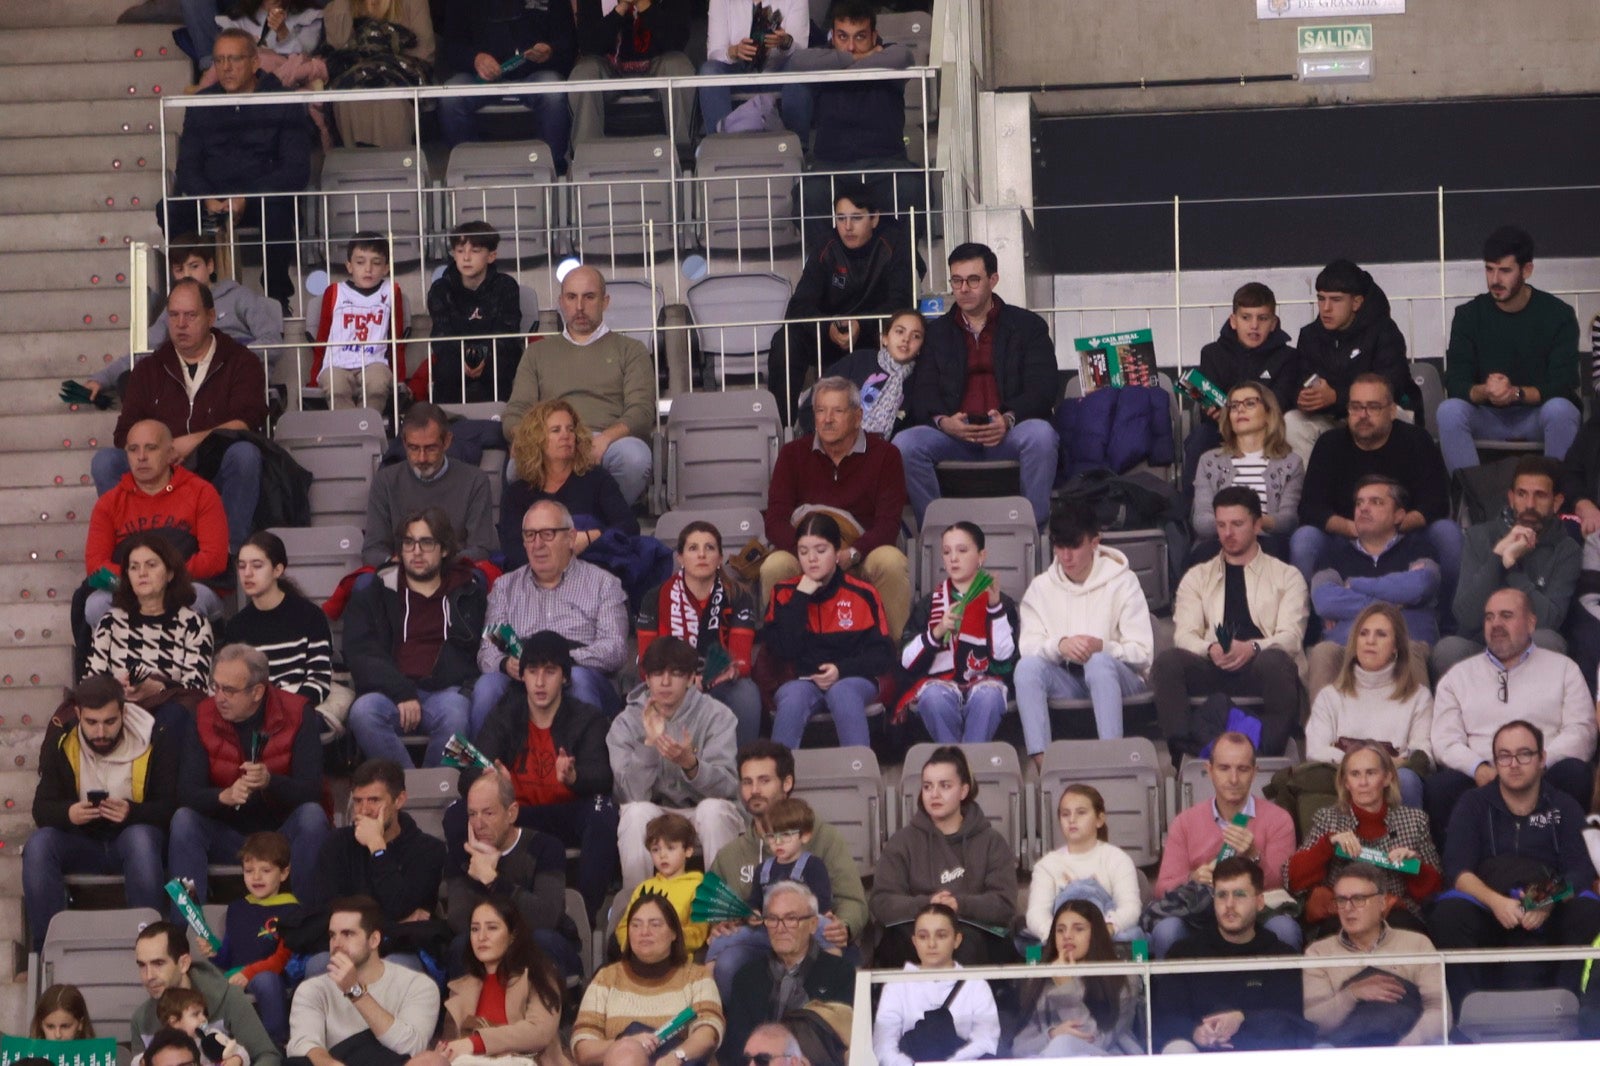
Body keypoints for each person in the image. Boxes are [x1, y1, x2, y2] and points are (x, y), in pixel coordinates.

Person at [1429, 720, 1600, 1006]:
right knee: (1449, 914)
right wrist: (1497, 903)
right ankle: (1468, 1011)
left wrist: (1544, 900)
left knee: (1589, 912)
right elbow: (1458, 870)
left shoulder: (1564, 805)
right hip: (1490, 905)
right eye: (1504, 756)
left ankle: (1569, 1006)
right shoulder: (1472, 804)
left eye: (1524, 754)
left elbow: (1580, 870)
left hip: (1548, 904)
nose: (1514, 764)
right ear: (1495, 762)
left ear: (1542, 758)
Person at [452, 629, 619, 918]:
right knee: (457, 811)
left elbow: (603, 777)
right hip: (517, 813)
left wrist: (574, 777)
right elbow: (468, 775)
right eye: (532, 671)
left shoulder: (586, 717)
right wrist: (491, 781)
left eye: (550, 672)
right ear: (523, 676)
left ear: (565, 677)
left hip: (565, 812)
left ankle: (585, 916)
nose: (540, 682)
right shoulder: (504, 714)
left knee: (602, 810)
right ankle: (470, 910)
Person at [96, 279, 268, 554]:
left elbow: (247, 421)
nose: (181, 324)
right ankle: (131, 553)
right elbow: (124, 434)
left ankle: (229, 554)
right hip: (160, 475)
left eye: (190, 315)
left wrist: (190, 442)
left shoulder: (240, 361)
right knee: (105, 462)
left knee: (245, 455)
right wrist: (158, 449)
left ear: (211, 317)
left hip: (213, 470)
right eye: (174, 315)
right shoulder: (149, 368)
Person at [896, 242, 1059, 525]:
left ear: (993, 280)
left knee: (1041, 436)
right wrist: (944, 423)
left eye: (973, 280)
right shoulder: (936, 333)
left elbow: (1043, 388)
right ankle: (936, 532)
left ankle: (1033, 531)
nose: (963, 289)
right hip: (954, 436)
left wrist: (1008, 419)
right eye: (956, 280)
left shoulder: (1028, 326)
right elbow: (922, 391)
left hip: (1008, 433)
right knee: (905, 444)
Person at [25, 675, 181, 951]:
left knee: (140, 839)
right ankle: (47, 951)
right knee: (38, 845)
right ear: (78, 715)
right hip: (81, 841)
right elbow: (41, 808)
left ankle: (153, 947)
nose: (100, 732)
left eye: (110, 722)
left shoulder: (153, 738)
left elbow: (171, 807)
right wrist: (69, 813)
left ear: (123, 712)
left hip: (132, 839)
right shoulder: (62, 741)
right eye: (91, 722)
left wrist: (131, 812)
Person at [706, 741, 868, 1005]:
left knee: (840, 967)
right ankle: (727, 1027)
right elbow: (717, 912)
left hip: (813, 940)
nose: (754, 790)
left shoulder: (824, 838)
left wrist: (844, 927)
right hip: (758, 947)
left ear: (787, 783)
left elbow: (852, 900)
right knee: (728, 963)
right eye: (747, 782)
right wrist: (720, 926)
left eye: (764, 780)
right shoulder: (731, 854)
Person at [1151, 486, 1307, 759]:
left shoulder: (1287, 576)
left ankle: (1269, 754)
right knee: (1167, 662)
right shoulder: (1197, 576)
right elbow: (1184, 634)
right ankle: (1184, 754)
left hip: (1260, 666)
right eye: (1221, 525)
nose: (1228, 533)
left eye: (1237, 524)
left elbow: (1291, 637)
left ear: (1257, 525)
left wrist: (1252, 648)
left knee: (1276, 661)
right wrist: (1209, 649)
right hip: (1213, 663)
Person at [169, 644, 330, 906]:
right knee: (184, 820)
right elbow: (186, 792)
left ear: (257, 692)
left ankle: (307, 920)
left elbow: (312, 790)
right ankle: (187, 923)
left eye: (229, 690)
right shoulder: (202, 715)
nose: (219, 697)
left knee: (312, 816)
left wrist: (270, 781)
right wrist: (223, 796)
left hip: (281, 835)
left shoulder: (299, 713)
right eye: (216, 686)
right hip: (227, 835)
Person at [163, 31, 311, 308]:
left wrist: (248, 198)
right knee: (169, 208)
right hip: (212, 199)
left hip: (261, 198)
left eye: (234, 59)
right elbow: (188, 166)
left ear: (255, 63)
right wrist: (207, 197)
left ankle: (277, 300)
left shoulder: (282, 100)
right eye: (219, 60)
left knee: (277, 207)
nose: (226, 67)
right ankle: (193, 293)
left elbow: (296, 170)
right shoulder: (202, 103)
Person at [1426, 588, 1596, 828]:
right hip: (1482, 776)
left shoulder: (1564, 669)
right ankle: (1464, 853)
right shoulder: (1458, 677)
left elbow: (1582, 732)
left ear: (1531, 623)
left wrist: (1538, 763)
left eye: (1506, 615)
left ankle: (1562, 849)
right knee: (1441, 787)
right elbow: (1445, 740)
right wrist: (1478, 768)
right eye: (1489, 617)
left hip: (1544, 772)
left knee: (1574, 773)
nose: (1496, 623)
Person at [762, 377, 911, 640]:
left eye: (837, 411)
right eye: (820, 410)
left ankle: (893, 653)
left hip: (860, 552)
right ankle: (782, 653)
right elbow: (775, 520)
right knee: (775, 565)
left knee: (891, 562)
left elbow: (888, 524)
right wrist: (808, 553)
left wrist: (851, 553)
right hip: (805, 551)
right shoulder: (792, 454)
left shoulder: (885, 455)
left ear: (858, 416)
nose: (827, 419)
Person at [1291, 373, 1460, 600]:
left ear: (1392, 411)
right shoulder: (1329, 444)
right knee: (1304, 539)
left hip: (1405, 534)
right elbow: (1311, 508)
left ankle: (1447, 615)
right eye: (1356, 407)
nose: (1363, 415)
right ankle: (1311, 619)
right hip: (1345, 535)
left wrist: (1390, 526)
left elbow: (1436, 502)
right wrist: (1353, 528)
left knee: (1447, 533)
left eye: (1373, 407)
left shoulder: (1417, 440)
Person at [503, 265, 654, 505]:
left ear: (605, 302)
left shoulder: (631, 350)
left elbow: (642, 411)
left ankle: (605, 518)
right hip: (551, 439)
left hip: (608, 440)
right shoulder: (537, 353)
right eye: (572, 297)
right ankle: (556, 520)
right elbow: (516, 410)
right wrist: (524, 438)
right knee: (516, 468)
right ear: (561, 302)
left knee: (634, 458)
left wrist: (605, 439)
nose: (580, 307)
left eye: (589, 297)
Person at [1015, 501, 1154, 761]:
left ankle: (1113, 760)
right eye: (1059, 546)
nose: (1066, 556)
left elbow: (1143, 654)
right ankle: (1043, 766)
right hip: (1068, 680)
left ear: (1094, 542)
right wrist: (1059, 645)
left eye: (1074, 546)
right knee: (1026, 668)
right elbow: (1028, 647)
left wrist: (1103, 647)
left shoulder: (1124, 582)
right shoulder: (1040, 587)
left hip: (1121, 679)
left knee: (1098, 663)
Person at [471, 500, 629, 727]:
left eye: (547, 534)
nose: (537, 544)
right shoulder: (504, 587)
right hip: (521, 676)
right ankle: (484, 752)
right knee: (487, 687)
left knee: (580, 680)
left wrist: (560, 662)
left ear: (571, 538)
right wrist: (505, 664)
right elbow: (487, 650)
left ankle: (585, 751)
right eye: (530, 535)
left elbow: (615, 649)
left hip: (579, 671)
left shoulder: (604, 584)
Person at [344, 508, 483, 767]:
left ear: (444, 549)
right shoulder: (375, 591)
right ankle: (405, 787)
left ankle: (432, 787)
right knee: (363, 712)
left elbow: (474, 651)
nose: (416, 552)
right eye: (409, 543)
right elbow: (360, 652)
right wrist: (402, 691)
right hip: (390, 692)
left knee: (456, 716)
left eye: (426, 542)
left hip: (445, 691)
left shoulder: (468, 593)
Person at [1438, 226, 1581, 473]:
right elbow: (1456, 382)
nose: (1495, 280)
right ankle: (1471, 493)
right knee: (1449, 411)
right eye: (1489, 269)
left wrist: (1515, 393)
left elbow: (1564, 385)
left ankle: (1557, 492)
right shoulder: (1468, 315)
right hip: (1487, 415)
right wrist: (1487, 391)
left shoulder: (1558, 315)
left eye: (1505, 271)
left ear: (1527, 270)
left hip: (1537, 416)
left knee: (1561, 410)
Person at [78, 233, 284, 404]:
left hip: (232, 376)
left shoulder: (239, 296)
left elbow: (273, 342)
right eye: (179, 269)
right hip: (188, 378)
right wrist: (101, 379)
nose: (187, 274)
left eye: (194, 266)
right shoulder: (175, 307)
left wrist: (227, 357)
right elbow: (143, 351)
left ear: (210, 266)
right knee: (130, 380)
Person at [608, 636, 744, 889]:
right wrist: (649, 745)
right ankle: (637, 904)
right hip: (655, 811)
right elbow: (629, 795)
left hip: (701, 810)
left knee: (714, 811)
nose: (665, 682)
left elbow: (727, 788)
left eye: (676, 674)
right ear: (647, 678)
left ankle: (723, 906)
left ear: (691, 678)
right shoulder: (625, 722)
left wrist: (691, 764)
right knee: (635, 813)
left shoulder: (718, 716)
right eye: (657, 674)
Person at [774, 186, 918, 421]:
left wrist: (862, 324)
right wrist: (828, 328)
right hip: (830, 337)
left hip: (875, 337)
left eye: (856, 218)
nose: (847, 227)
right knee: (785, 340)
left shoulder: (894, 244)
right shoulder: (826, 244)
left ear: (874, 218)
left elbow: (901, 304)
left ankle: (901, 422)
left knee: (907, 334)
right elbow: (798, 307)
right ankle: (784, 426)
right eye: (841, 218)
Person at [1150, 733, 1299, 957]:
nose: (1233, 779)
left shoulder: (1278, 819)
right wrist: (1192, 878)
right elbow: (1162, 888)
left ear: (1254, 772)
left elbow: (1284, 884)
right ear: (1209, 770)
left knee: (1285, 929)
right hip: (1201, 914)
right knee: (1166, 931)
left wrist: (1254, 855)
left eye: (1243, 769)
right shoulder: (1185, 822)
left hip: (1255, 914)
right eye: (1224, 768)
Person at [760, 512, 896, 751]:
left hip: (853, 678)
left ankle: (858, 770)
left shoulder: (863, 593)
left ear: (837, 552)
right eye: (803, 552)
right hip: (801, 680)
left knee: (843, 692)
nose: (812, 559)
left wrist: (841, 670)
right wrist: (801, 597)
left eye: (821, 550)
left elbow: (883, 655)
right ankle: (778, 772)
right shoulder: (783, 593)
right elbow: (783, 650)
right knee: (792, 697)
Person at [870, 747, 1018, 966]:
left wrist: (958, 904)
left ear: (964, 790)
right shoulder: (902, 842)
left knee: (966, 944)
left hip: (972, 935)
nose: (934, 794)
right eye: (927, 786)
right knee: (895, 942)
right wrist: (928, 904)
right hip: (917, 932)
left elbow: (1004, 904)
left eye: (945, 786)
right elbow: (882, 902)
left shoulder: (991, 841)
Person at [1431, 455, 1579, 674]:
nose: (1529, 504)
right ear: (1511, 498)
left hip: (1531, 645)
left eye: (1540, 495)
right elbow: (1465, 616)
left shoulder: (1567, 549)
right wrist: (1498, 559)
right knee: (1448, 650)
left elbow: (1548, 621)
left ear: (1556, 502)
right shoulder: (1479, 536)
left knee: (1548, 641)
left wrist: (1510, 565)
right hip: (1481, 645)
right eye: (1522, 494)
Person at [784, 2, 917, 238]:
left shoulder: (889, 54)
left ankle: (896, 258)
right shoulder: (822, 58)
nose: (851, 46)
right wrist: (862, 57)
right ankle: (827, 259)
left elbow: (903, 57)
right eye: (843, 37)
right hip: (831, 165)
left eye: (860, 37)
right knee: (808, 196)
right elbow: (797, 62)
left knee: (912, 188)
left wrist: (842, 62)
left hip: (886, 164)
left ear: (874, 36)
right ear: (832, 35)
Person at [83, 418, 229, 626]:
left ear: (170, 454)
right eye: (133, 449)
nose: (141, 457)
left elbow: (214, 559)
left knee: (194, 600)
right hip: (131, 589)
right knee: (96, 605)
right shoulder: (109, 503)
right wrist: (140, 582)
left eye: (151, 448)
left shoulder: (202, 493)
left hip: (188, 585)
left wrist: (164, 578)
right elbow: (96, 566)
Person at [443, 770, 584, 984]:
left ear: (511, 813)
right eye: (472, 814)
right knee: (461, 945)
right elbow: (459, 920)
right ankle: (471, 1006)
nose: (478, 824)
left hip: (544, 946)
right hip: (491, 947)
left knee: (543, 939)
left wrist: (492, 880)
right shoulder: (461, 854)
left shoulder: (545, 847)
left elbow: (546, 918)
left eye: (488, 813)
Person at [1154, 857, 1306, 1053]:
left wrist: (1243, 1018)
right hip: (1201, 1055)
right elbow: (1165, 1017)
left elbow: (1292, 1022)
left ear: (1259, 902)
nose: (1229, 904)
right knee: (1177, 1049)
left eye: (1240, 895)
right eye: (1222, 895)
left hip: (1259, 1054)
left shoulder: (1280, 956)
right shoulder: (1184, 953)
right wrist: (1195, 1032)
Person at [1286, 745, 1442, 936]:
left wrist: (1414, 867)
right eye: (1355, 774)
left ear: (1387, 778)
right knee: (1336, 929)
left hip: (1398, 913)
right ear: (1346, 782)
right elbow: (1292, 879)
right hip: (1342, 912)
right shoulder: (1328, 819)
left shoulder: (1414, 820)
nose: (1363, 782)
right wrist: (1327, 846)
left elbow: (1436, 891)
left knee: (1405, 928)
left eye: (1371, 773)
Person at [312, 759, 446, 973]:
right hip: (346, 947)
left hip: (402, 949)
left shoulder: (429, 850)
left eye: (374, 800)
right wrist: (396, 925)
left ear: (399, 800)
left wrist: (377, 848)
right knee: (318, 965)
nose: (364, 810)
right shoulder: (336, 845)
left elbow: (398, 906)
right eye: (358, 801)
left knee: (398, 968)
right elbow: (328, 911)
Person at [636, 520, 762, 748]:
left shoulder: (738, 595)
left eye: (709, 548)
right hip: (668, 680)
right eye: (693, 548)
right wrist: (679, 678)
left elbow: (741, 661)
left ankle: (745, 763)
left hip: (719, 681)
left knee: (746, 693)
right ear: (680, 558)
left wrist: (715, 674)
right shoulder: (655, 597)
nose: (702, 555)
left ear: (720, 558)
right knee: (641, 701)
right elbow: (646, 663)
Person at [1306, 477, 1441, 683]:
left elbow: (1420, 586)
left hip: (1407, 642)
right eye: (1359, 503)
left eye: (1376, 502)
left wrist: (1355, 585)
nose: (1363, 508)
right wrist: (1398, 603)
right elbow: (1325, 601)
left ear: (1399, 515)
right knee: (1322, 653)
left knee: (1410, 649)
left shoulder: (1419, 547)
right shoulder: (1333, 553)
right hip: (1347, 646)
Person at [897, 521, 1018, 745]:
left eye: (962, 550)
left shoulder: (1002, 602)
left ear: (981, 556)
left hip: (985, 680)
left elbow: (1005, 661)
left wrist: (994, 609)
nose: (953, 558)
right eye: (946, 552)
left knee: (989, 697)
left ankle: (968, 760)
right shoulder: (929, 603)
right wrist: (937, 631)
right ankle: (955, 760)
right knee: (933, 697)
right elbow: (906, 660)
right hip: (940, 682)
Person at [570, 894, 725, 1066]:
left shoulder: (697, 976)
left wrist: (677, 1056)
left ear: (674, 932)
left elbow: (708, 1033)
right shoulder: (606, 978)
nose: (644, 932)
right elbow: (583, 1049)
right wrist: (627, 1046)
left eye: (655, 924)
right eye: (636, 925)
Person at [1304, 604, 1434, 808]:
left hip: (1393, 780)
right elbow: (1315, 750)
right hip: (1343, 777)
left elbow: (1424, 755)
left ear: (1396, 646)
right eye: (1363, 633)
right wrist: (1366, 764)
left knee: (1407, 780)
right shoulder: (1330, 696)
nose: (1370, 641)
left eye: (1381, 634)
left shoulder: (1419, 697)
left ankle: (1404, 831)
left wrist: (1382, 771)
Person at [1303, 864, 1446, 1047]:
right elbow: (1315, 1022)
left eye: (1359, 899)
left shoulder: (1418, 944)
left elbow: (1440, 1009)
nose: (1348, 908)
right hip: (1345, 1048)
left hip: (1409, 1044)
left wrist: (1410, 1044)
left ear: (1382, 903)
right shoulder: (1317, 952)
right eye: (1341, 900)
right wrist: (1352, 994)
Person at [285, 897, 440, 1064]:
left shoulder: (418, 985)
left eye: (348, 934)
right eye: (332, 935)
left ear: (374, 940)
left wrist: (355, 992)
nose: (337, 943)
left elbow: (413, 1047)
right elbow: (302, 1043)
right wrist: (328, 1063)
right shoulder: (312, 989)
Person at [1286, 259, 1412, 463]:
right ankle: (1315, 483)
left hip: (1375, 412)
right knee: (1292, 421)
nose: (1326, 308)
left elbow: (1392, 386)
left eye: (1336, 300)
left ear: (1356, 302)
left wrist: (1337, 397)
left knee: (1392, 413)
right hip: (1330, 419)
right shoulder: (1310, 335)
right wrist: (1303, 397)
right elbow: (1299, 379)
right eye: (1321, 299)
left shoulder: (1384, 331)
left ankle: (1386, 482)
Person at [721, 881, 854, 1066]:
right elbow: (736, 1049)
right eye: (772, 919)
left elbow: (841, 1044)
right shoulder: (746, 977)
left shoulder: (840, 973)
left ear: (813, 924)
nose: (780, 928)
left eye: (791, 919)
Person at [85, 532, 215, 714]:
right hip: (121, 715)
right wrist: (118, 689)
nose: (142, 573)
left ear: (169, 573)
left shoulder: (193, 623)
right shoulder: (111, 622)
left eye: (151, 565)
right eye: (134, 567)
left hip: (173, 717)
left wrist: (159, 689)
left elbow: (196, 691)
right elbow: (91, 685)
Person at [498, 399, 639, 563]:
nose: (566, 435)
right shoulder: (517, 493)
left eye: (570, 429)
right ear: (536, 439)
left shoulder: (597, 478)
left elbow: (629, 527)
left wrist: (589, 537)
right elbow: (512, 548)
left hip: (592, 568)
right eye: (556, 430)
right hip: (536, 572)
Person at [193, 832, 300, 1046]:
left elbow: (282, 960)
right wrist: (214, 952)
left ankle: (275, 1044)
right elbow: (229, 957)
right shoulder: (237, 908)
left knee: (266, 980)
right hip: (237, 975)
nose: (256, 877)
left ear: (284, 873)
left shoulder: (292, 910)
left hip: (271, 976)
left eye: (265, 870)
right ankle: (210, 1044)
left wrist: (248, 973)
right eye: (249, 871)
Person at [436, 898, 569, 1066]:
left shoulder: (539, 976)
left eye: (492, 928)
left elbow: (539, 1032)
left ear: (513, 935)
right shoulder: (460, 988)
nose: (481, 937)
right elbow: (451, 1046)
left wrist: (475, 1043)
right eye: (475, 929)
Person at [363, 404, 498, 568]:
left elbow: (481, 549)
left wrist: (433, 563)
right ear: (404, 443)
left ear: (447, 441)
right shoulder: (385, 481)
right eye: (413, 448)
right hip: (400, 571)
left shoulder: (475, 480)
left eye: (430, 448)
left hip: (454, 571)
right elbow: (372, 550)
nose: (421, 458)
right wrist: (399, 564)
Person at [437, 0, 571, 160]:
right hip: (478, 77)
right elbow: (451, 47)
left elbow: (569, 42)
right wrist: (475, 59)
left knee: (553, 93)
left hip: (536, 73)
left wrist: (551, 51)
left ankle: (552, 166)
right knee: (451, 97)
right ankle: (467, 167)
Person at [132, 922, 279, 1066]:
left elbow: (268, 1056)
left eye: (158, 963)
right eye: (142, 965)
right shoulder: (140, 1020)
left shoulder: (229, 998)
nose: (148, 976)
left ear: (183, 963)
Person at [869, 903, 1000, 1066]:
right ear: (914, 941)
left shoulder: (976, 985)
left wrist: (951, 1063)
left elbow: (986, 1040)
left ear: (957, 940)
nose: (931, 944)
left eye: (941, 935)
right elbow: (883, 1045)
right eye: (923, 936)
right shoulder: (896, 986)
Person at [221, 532, 334, 713]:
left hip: (299, 709)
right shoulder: (236, 626)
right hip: (253, 711)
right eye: (241, 566)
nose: (247, 573)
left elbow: (319, 679)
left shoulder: (309, 616)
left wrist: (287, 709)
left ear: (277, 570)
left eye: (257, 565)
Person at [1012, 899, 1142, 1057]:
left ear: (1096, 935)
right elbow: (1018, 1049)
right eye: (1060, 930)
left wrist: (1066, 987)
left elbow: (1095, 1040)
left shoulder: (1124, 979)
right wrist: (1052, 1035)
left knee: (1062, 1044)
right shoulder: (1039, 980)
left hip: (1105, 1057)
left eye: (1078, 929)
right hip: (1048, 1058)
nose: (1067, 936)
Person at [1190, 382, 1303, 562]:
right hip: (1219, 543)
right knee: (1204, 555)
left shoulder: (1290, 463)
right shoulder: (1209, 460)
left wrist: (1253, 523)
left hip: (1266, 544)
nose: (1240, 410)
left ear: (1269, 414)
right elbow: (1202, 521)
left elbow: (1288, 520)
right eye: (1234, 406)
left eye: (1250, 403)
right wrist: (1234, 525)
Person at [419, 221, 525, 404]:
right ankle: (447, 418)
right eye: (460, 251)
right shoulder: (441, 289)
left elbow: (507, 331)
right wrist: (464, 357)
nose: (466, 258)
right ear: (454, 254)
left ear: (491, 256)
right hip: (455, 357)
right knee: (446, 368)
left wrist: (483, 355)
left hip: (495, 356)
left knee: (500, 366)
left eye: (475, 251)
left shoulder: (506, 286)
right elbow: (441, 334)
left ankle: (500, 417)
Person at [570, 0, 695, 152]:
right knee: (585, 71)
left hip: (658, 69)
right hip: (609, 71)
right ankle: (587, 156)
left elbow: (676, 42)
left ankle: (681, 154)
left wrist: (643, 5)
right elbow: (588, 47)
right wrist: (621, 8)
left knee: (678, 65)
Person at [304, 233, 406, 412]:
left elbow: (396, 340)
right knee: (336, 388)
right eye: (360, 262)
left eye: (376, 263)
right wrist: (314, 377)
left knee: (377, 385)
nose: (368, 269)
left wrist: (400, 378)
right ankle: (350, 427)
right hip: (336, 364)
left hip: (375, 363)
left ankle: (367, 425)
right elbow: (323, 338)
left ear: (386, 268)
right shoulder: (334, 292)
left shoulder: (391, 291)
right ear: (349, 266)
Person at [1026, 785, 1141, 943]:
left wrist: (1106, 929)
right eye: (1065, 814)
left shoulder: (1117, 859)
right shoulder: (1047, 865)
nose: (1072, 820)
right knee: (1028, 943)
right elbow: (1036, 914)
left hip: (1106, 937)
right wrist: (1058, 935)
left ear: (1099, 819)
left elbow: (1130, 908)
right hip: (1061, 939)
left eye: (1081, 812)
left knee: (1132, 937)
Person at [321, 0, 436, 148]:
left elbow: (424, 54)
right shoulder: (339, 5)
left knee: (389, 98)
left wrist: (381, 63)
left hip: (400, 80)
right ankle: (354, 161)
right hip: (353, 79)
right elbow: (338, 45)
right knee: (349, 98)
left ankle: (396, 161)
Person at [796, 308, 924, 439]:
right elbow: (815, 402)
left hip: (883, 448)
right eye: (900, 331)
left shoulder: (920, 379)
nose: (906, 339)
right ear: (884, 338)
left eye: (916, 336)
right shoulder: (859, 360)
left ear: (921, 347)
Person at [698, 0, 804, 134]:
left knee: (800, 67)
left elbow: (802, 54)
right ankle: (720, 143)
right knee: (709, 70)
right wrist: (734, 51)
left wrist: (785, 42)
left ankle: (797, 143)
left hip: (778, 74)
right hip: (736, 74)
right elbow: (714, 52)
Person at [614, 811, 706, 954]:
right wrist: (636, 943)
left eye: (670, 848)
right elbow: (623, 927)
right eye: (655, 850)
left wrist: (665, 938)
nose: (662, 855)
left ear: (688, 850)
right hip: (639, 958)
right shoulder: (644, 888)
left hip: (676, 960)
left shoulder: (699, 887)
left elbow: (698, 933)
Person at [148, 986, 249, 1066]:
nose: (203, 1018)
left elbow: (240, 1050)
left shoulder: (211, 1035)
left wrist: (237, 1059)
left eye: (203, 1013)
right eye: (195, 1014)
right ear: (174, 1021)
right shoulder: (162, 1045)